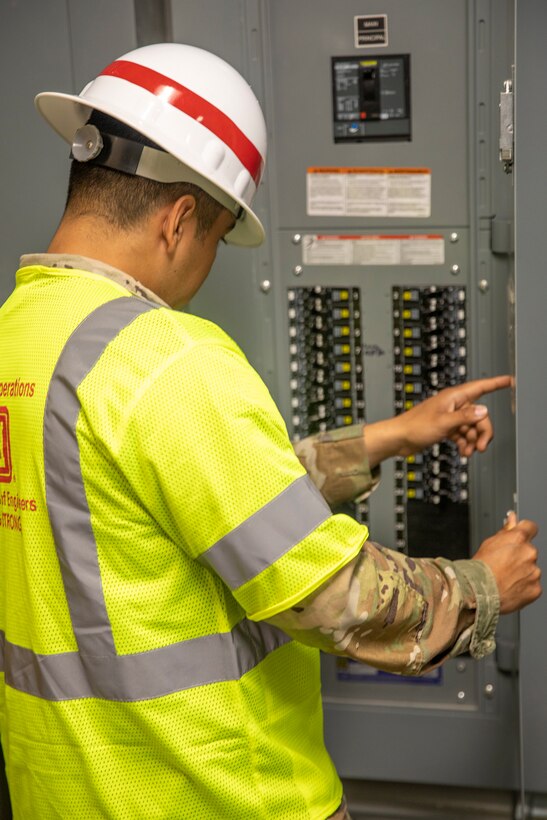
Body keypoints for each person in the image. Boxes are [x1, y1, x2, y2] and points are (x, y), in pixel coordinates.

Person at [0, 43, 540, 820]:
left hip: (65, 796)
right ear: (181, 219)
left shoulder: (23, 335)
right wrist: (483, 585)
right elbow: (336, 598)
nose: (208, 261)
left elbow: (152, 502)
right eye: (220, 237)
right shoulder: (164, 357)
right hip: (217, 795)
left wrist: (386, 437)